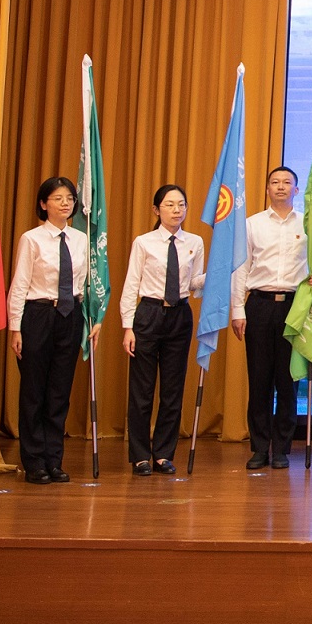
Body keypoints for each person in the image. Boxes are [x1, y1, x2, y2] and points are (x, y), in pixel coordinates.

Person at [231, 166, 312, 471]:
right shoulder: (252, 224)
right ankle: (259, 448)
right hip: (259, 305)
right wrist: (237, 309)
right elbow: (241, 268)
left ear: (296, 190)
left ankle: (281, 448)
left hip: (294, 307)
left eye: (287, 182)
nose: (281, 186)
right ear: (267, 188)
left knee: (287, 380)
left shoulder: (307, 225)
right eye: (275, 182)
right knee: (259, 381)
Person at [7, 176, 90, 484]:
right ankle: (34, 461)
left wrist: (90, 319)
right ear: (43, 204)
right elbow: (20, 284)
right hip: (38, 314)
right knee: (34, 391)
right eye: (57, 198)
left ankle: (54, 460)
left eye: (69, 198)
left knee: (59, 391)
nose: (65, 203)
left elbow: (84, 282)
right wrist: (15, 327)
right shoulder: (32, 239)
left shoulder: (80, 239)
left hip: (70, 315)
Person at [121, 184, 203, 476]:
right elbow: (131, 284)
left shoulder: (195, 242)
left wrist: (215, 275)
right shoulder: (144, 242)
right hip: (148, 314)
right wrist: (128, 326)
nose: (176, 210)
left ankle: (163, 454)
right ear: (157, 210)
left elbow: (193, 285)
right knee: (142, 390)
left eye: (181, 204)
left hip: (179, 315)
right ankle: (140, 456)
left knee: (172, 389)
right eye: (169, 205)